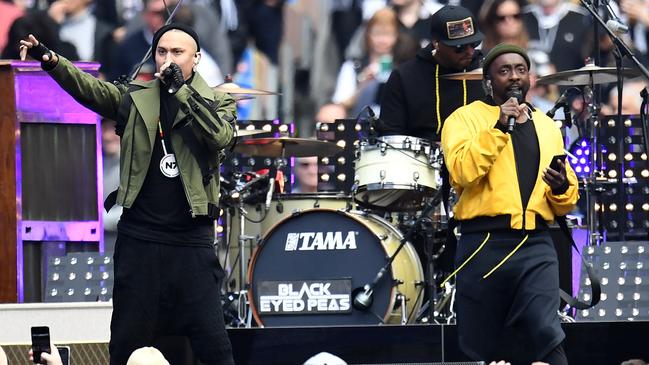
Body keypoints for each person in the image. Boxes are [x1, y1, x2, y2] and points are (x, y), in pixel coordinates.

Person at [19, 22, 236, 365]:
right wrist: (51, 60)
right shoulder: (135, 98)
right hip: (140, 241)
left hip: (190, 242)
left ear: (196, 58)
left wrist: (182, 92)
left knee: (215, 348)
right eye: (162, 52)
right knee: (126, 345)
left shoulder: (219, 100)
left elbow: (220, 137)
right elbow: (90, 90)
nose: (168, 59)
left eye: (177, 53)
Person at [441, 43, 579, 364]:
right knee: (481, 343)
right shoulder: (464, 119)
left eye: (520, 69)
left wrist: (561, 189)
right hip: (484, 242)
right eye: (504, 71)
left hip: (536, 243)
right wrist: (500, 127)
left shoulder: (546, 125)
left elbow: (565, 200)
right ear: (488, 82)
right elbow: (461, 172)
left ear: (530, 77)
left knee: (548, 331)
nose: (514, 77)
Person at [378, 4, 485, 140]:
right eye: (460, 47)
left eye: (473, 44)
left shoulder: (488, 70)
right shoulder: (405, 77)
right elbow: (390, 135)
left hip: (480, 156)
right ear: (436, 43)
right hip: (420, 159)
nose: (469, 51)